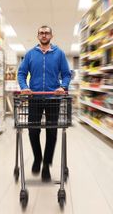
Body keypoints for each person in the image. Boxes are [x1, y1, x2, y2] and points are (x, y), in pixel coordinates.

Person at [17, 25, 71, 182]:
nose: (44, 35)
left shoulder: (59, 54)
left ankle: (46, 164)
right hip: (34, 98)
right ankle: (37, 158)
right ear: (37, 36)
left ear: (51, 36)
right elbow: (21, 73)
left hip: (53, 99)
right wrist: (24, 87)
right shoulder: (30, 54)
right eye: (41, 33)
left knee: (52, 133)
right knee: (33, 131)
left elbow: (67, 74)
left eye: (47, 33)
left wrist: (63, 86)